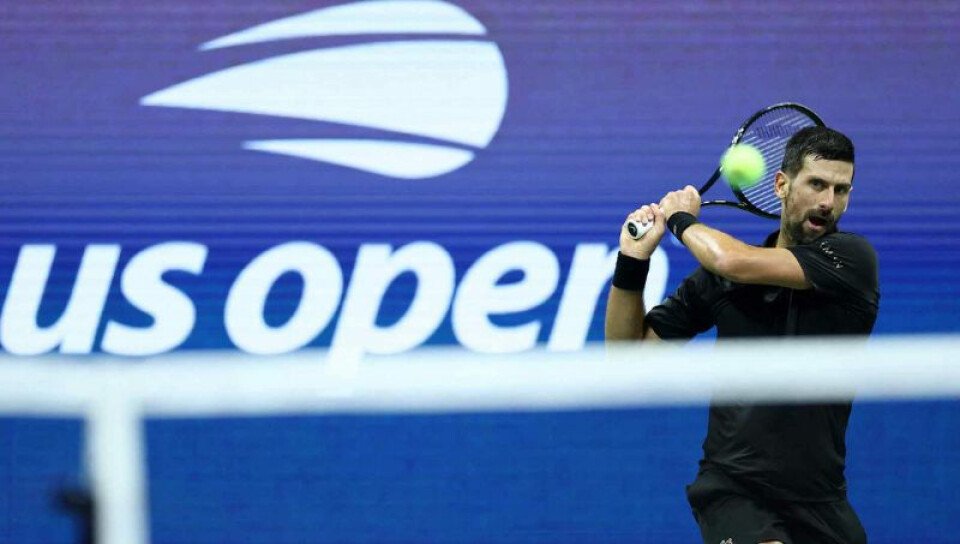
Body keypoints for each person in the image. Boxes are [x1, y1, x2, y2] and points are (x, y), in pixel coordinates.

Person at [605, 126, 879, 544]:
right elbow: (625, 359)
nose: (828, 201)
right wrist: (632, 261)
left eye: (841, 190)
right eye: (817, 184)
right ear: (781, 185)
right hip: (734, 491)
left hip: (821, 500)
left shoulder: (853, 259)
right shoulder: (718, 282)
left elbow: (732, 261)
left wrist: (680, 220)